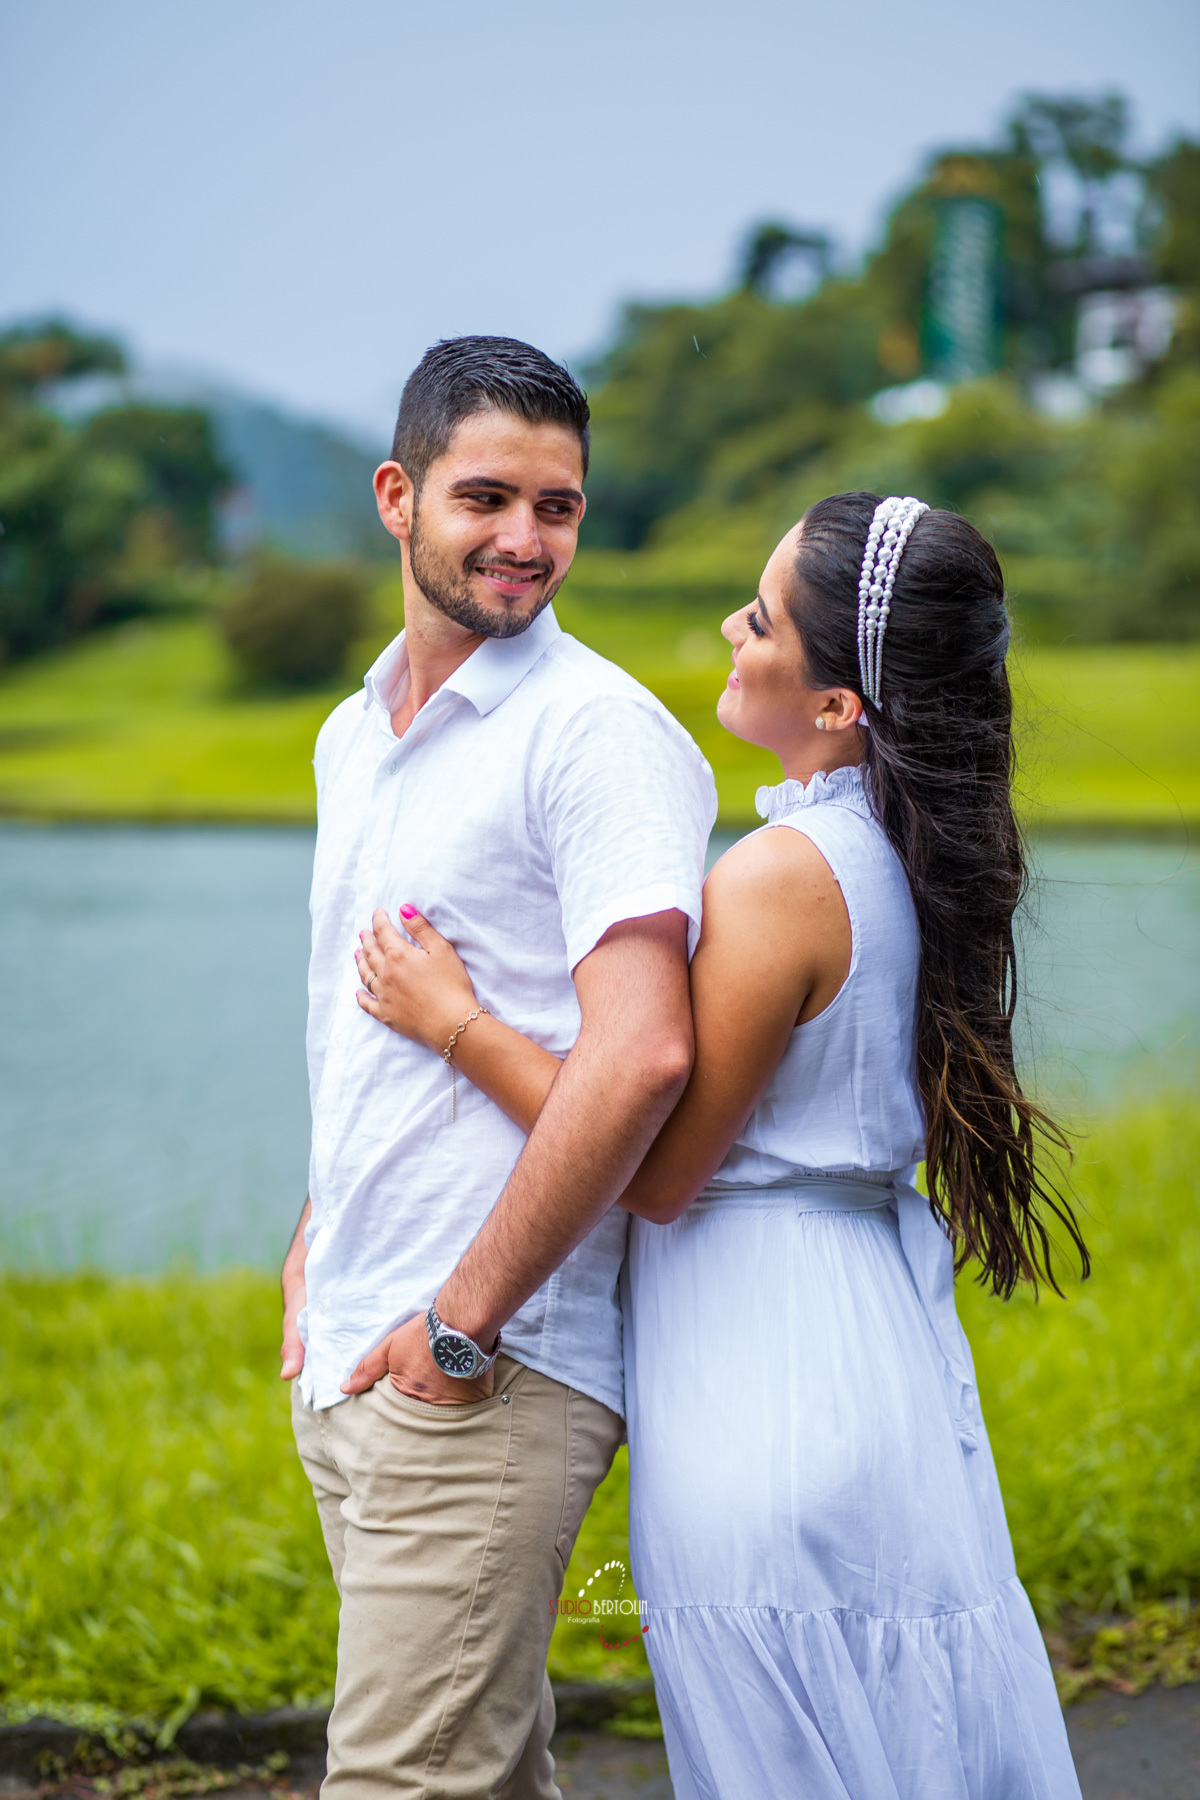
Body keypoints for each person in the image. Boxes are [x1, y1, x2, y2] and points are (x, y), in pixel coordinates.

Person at [354, 492, 1087, 1798]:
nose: (729, 632)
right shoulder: (905, 859)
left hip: (766, 1370)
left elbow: (659, 1161)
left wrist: (454, 1020)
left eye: (758, 619)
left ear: (840, 705)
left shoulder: (779, 879)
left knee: (782, 1745)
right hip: (871, 1350)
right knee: (906, 1725)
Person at [280, 335, 717, 1800]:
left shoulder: (598, 736)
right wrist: (313, 1237)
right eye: (489, 498)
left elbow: (646, 1049)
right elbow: (352, 1023)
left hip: (489, 1364)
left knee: (397, 1787)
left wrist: (459, 1329)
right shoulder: (355, 736)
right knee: (486, 1778)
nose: (528, 541)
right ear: (399, 497)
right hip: (359, 1347)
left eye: (560, 507)